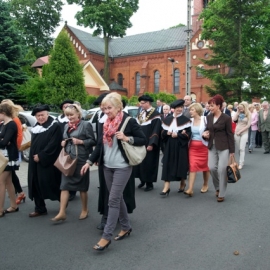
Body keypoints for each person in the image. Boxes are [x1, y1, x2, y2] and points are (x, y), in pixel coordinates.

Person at [81, 92, 146, 251]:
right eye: (104, 108)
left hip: (122, 166)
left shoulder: (128, 121)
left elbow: (143, 139)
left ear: (118, 107)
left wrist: (126, 138)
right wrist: (89, 161)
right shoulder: (105, 123)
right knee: (117, 198)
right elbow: (100, 145)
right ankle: (126, 226)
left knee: (113, 200)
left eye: (109, 108)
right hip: (107, 166)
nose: (106, 111)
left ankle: (106, 236)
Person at [51, 104, 96, 222]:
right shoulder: (66, 126)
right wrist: (63, 143)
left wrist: (81, 141)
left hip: (81, 159)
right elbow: (65, 138)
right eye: (67, 115)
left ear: (78, 114)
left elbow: (92, 141)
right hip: (68, 159)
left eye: (71, 115)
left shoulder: (86, 125)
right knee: (64, 185)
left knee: (82, 186)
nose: (69, 117)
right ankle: (62, 212)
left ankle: (85, 209)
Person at [28, 105, 62, 217]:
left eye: (42, 115)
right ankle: (40, 208)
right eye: (38, 116)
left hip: (48, 161)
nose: (40, 118)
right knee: (35, 183)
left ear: (47, 114)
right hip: (34, 161)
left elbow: (54, 144)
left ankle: (62, 203)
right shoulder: (36, 127)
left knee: (51, 183)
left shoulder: (54, 126)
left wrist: (42, 156)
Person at [202, 95, 235, 203]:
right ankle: (217, 187)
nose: (210, 108)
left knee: (222, 169)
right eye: (209, 106)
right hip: (212, 145)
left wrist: (232, 151)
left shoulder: (226, 118)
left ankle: (222, 193)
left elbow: (230, 134)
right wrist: (204, 134)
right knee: (211, 167)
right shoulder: (208, 117)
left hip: (224, 146)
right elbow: (208, 130)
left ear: (218, 106)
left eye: (212, 106)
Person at [160, 99, 191, 195]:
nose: (179, 109)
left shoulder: (186, 120)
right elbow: (162, 133)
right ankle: (166, 186)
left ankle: (182, 183)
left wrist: (178, 135)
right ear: (173, 109)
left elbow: (189, 134)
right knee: (167, 164)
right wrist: (167, 133)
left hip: (181, 145)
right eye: (178, 108)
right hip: (169, 144)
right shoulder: (167, 119)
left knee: (181, 164)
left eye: (181, 107)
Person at [134, 95, 161, 191]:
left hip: (149, 143)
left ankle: (149, 183)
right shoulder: (141, 114)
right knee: (140, 162)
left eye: (142, 103)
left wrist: (151, 144)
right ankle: (142, 180)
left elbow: (156, 131)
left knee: (149, 163)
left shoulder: (156, 115)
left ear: (148, 103)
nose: (141, 105)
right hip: (140, 142)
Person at [1, 99, 26, 204]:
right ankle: (17, 198)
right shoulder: (4, 123)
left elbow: (15, 137)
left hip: (10, 154)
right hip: (7, 154)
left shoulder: (13, 122)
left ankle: (2, 208)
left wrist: (14, 145)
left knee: (5, 180)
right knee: (9, 180)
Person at [184, 103, 209, 196]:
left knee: (206, 167)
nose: (190, 111)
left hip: (204, 146)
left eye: (192, 110)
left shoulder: (205, 119)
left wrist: (207, 133)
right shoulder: (189, 121)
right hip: (192, 148)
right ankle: (190, 189)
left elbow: (211, 129)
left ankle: (205, 184)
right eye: (190, 110)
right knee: (192, 166)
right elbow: (187, 132)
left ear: (198, 110)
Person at [0, 103, 19, 217]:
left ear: (3, 113)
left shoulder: (11, 124)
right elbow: (3, 141)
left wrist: (3, 140)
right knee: (8, 182)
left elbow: (3, 142)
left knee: (1, 182)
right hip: (5, 156)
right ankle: (13, 205)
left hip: (9, 157)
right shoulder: (4, 124)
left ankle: (0, 209)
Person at [232, 103, 251, 169]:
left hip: (244, 132)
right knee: (239, 149)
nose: (240, 109)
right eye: (239, 108)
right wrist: (237, 112)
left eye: (241, 108)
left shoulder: (248, 114)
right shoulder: (238, 113)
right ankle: (241, 159)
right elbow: (234, 120)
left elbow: (248, 125)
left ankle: (241, 163)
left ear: (244, 107)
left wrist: (241, 131)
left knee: (242, 148)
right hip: (237, 132)